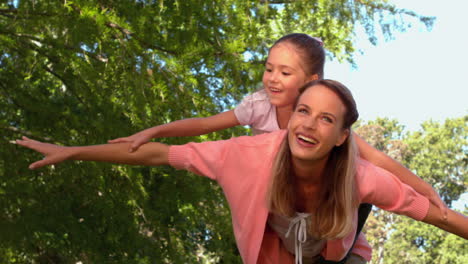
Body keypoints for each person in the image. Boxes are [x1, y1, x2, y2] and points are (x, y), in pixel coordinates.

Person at [16, 80, 467, 264]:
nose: (308, 125)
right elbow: (159, 155)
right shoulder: (247, 155)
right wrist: (74, 151)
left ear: (342, 136)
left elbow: (436, 215)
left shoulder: (361, 177)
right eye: (304, 112)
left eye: (326, 120)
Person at [107, 33, 447, 219]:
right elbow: (205, 124)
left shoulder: (322, 122)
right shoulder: (258, 105)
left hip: (323, 192)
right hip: (283, 189)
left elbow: (378, 161)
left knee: (358, 182)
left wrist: (423, 188)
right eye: (269, 69)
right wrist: (155, 130)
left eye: (285, 73)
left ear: (311, 81)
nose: (272, 79)